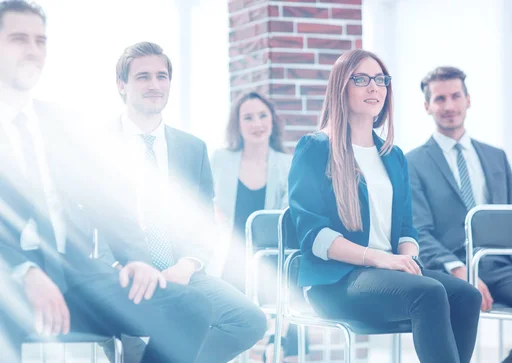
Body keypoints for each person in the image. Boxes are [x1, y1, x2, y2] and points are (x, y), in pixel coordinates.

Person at [0, 2, 213, 362]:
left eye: (40, 41)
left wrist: (136, 260)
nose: (33, 50)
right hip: (11, 282)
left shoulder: (57, 124)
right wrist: (25, 271)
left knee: (191, 309)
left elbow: (103, 204)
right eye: (19, 39)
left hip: (79, 279)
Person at [287, 49, 481, 363]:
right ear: (341, 88)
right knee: (429, 293)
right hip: (338, 281)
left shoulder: (393, 155)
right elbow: (314, 236)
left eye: (380, 79)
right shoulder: (315, 147)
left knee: (467, 294)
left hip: (389, 275)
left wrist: (407, 262)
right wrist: (379, 259)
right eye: (360, 79)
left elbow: (406, 227)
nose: (374, 87)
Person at [97, 42, 267, 363]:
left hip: (180, 272)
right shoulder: (97, 144)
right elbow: (88, 222)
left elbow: (204, 224)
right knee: (141, 336)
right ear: (122, 85)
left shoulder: (192, 148)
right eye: (143, 77)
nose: (154, 85)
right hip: (122, 275)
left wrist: (188, 265)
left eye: (162, 76)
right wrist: (119, 266)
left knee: (250, 320)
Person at [406, 66, 512, 363]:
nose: (449, 106)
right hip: (449, 269)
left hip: (501, 266)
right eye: (440, 99)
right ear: (427, 107)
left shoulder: (496, 156)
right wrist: (459, 270)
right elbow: (419, 230)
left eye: (456, 96)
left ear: (468, 99)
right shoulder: (412, 162)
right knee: (454, 322)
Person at [210, 91, 303, 362]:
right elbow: (205, 200)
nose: (256, 123)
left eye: (262, 116)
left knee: (281, 308)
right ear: (237, 125)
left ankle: (276, 342)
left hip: (269, 260)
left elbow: (287, 220)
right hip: (228, 258)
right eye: (248, 117)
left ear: (272, 121)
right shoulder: (221, 160)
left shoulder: (287, 164)